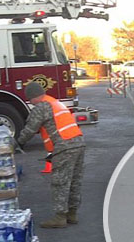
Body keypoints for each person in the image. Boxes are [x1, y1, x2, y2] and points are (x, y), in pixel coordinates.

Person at [17, 81, 86, 228]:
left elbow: (30, 129)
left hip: (65, 146)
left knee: (60, 182)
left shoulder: (41, 106)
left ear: (33, 97)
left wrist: (17, 143)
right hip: (78, 142)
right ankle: (72, 214)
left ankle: (60, 217)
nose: (30, 103)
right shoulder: (55, 103)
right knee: (74, 180)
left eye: (29, 100)